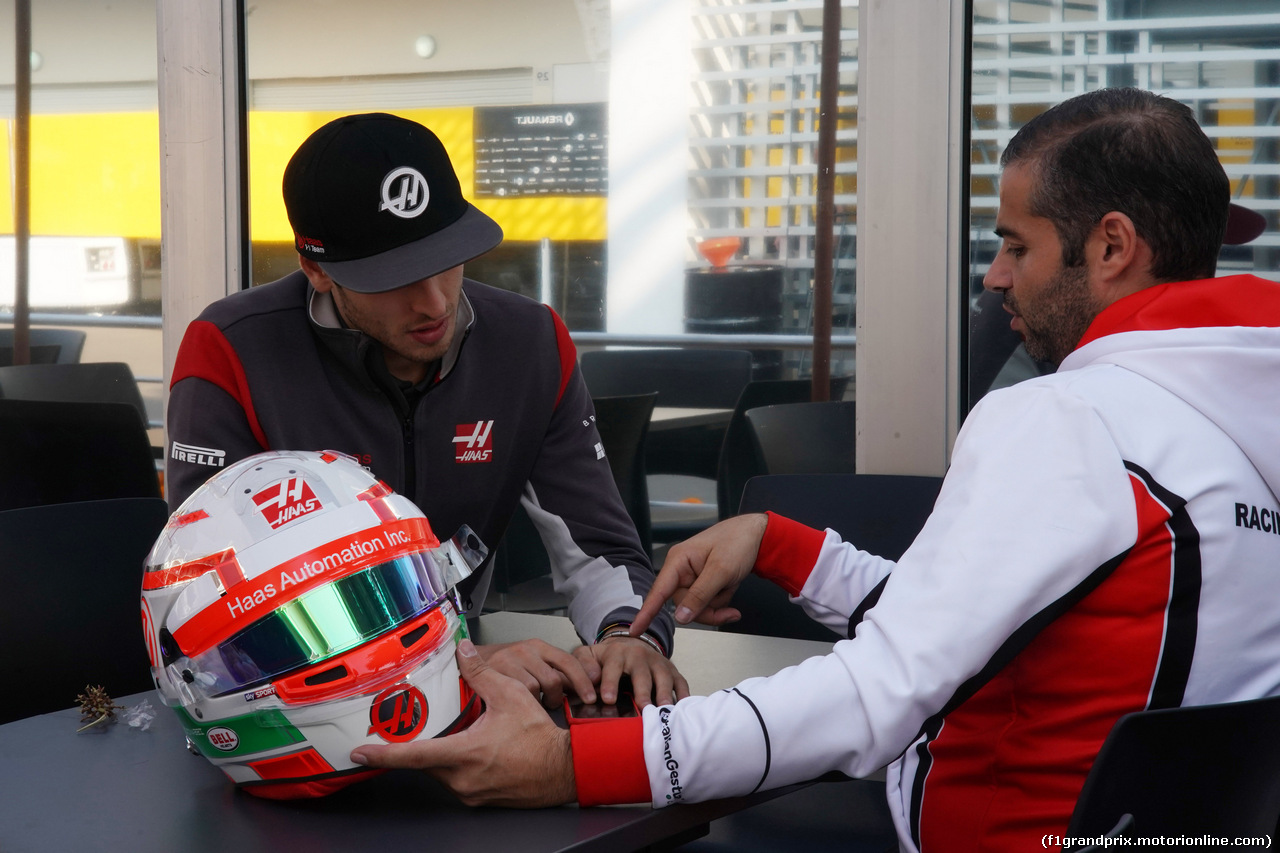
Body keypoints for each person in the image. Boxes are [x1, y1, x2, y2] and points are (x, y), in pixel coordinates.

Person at [346, 88, 1280, 851]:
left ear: (1113, 246)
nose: (996, 278)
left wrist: (568, 763)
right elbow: (986, 629)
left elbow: (873, 695)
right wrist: (783, 546)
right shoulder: (1221, 423)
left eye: (1015, 242)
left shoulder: (1071, 418)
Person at [165, 112, 685, 710]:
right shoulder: (230, 350)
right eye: (394, 277)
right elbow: (210, 608)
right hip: (288, 719)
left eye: (446, 256)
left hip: (475, 709)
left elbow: (597, 548)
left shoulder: (531, 343)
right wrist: (449, 664)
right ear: (316, 270)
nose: (434, 300)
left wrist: (627, 637)